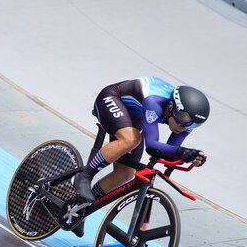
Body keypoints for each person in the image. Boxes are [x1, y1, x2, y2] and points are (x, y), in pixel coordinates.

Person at [72, 77, 210, 237]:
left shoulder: (185, 123)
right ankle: (84, 176)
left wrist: (192, 157)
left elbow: (170, 153)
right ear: (172, 107)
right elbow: (152, 145)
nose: (185, 127)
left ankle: (81, 208)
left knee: (125, 173)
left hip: (134, 116)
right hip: (111, 98)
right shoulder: (154, 102)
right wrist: (181, 151)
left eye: (193, 124)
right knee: (131, 138)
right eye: (184, 119)